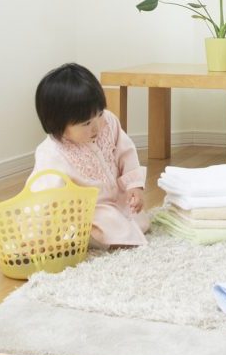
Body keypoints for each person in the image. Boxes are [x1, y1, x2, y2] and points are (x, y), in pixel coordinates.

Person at [28, 63, 150, 248]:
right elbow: (43, 194)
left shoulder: (109, 123)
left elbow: (127, 153)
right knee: (110, 223)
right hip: (87, 212)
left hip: (118, 198)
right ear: (58, 126)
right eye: (86, 123)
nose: (97, 126)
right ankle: (91, 237)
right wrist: (36, 235)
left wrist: (135, 186)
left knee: (141, 221)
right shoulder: (52, 153)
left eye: (99, 114)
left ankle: (114, 233)